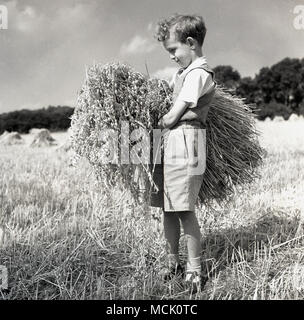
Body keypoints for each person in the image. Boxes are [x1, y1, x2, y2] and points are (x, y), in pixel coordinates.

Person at [151, 14, 216, 292]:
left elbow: (173, 116)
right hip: (172, 143)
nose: (172, 57)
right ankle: (172, 260)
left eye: (173, 50)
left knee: (184, 210)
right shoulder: (184, 74)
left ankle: (195, 270)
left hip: (187, 143)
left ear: (190, 43)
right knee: (167, 207)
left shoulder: (198, 73)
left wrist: (161, 119)